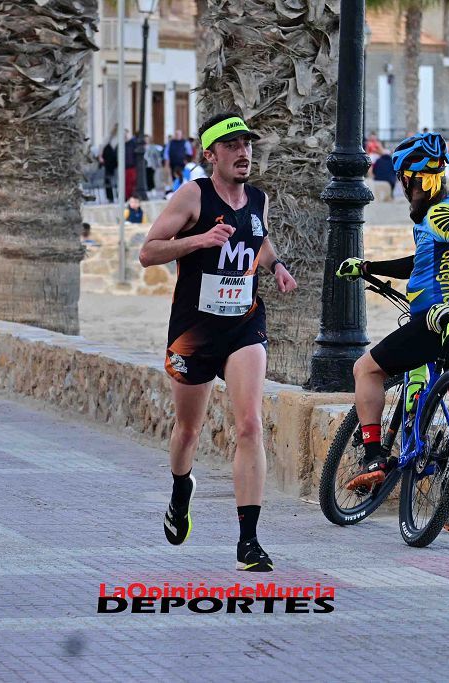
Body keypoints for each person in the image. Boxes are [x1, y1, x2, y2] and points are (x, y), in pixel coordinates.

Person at [138, 112, 297, 572]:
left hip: (243, 325)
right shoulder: (193, 195)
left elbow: (257, 240)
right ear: (211, 154)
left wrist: (276, 265)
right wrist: (200, 240)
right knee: (188, 429)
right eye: (232, 146)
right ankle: (180, 488)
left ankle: (249, 541)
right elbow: (149, 251)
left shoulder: (258, 200)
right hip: (194, 331)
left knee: (249, 424)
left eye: (247, 144)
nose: (243, 153)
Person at [335, 132, 449, 537]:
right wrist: (370, 266)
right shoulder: (444, 215)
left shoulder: (442, 213)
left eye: (404, 182)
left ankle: (374, 455)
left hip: (436, 322)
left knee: (367, 370)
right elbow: (420, 264)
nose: (405, 191)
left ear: (411, 179)